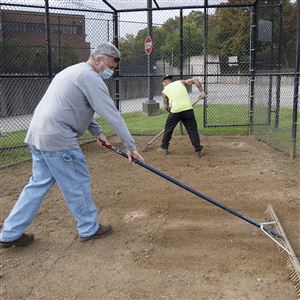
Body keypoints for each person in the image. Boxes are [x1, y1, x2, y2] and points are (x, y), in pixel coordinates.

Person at [0, 42, 144, 248]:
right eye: (110, 66)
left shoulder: (72, 72)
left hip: (38, 136)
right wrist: (130, 145)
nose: (111, 71)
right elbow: (111, 113)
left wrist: (98, 132)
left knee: (37, 185)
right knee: (77, 182)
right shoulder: (90, 77)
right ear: (99, 58)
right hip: (59, 140)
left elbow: (74, 107)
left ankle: (10, 233)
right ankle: (89, 227)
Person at [158, 75, 205, 157]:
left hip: (175, 111)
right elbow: (195, 80)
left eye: (163, 84)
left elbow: (166, 107)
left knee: (168, 129)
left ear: (164, 82)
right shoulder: (180, 82)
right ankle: (198, 149)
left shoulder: (164, 91)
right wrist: (201, 92)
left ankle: (164, 147)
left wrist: (172, 113)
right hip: (188, 109)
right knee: (192, 130)